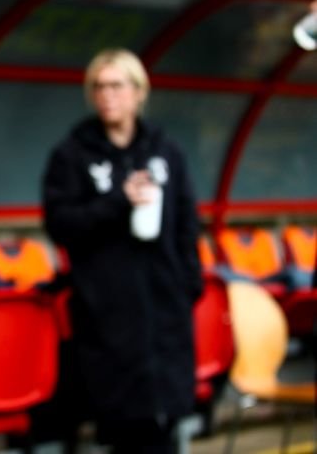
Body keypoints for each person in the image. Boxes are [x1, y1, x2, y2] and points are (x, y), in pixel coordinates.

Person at [41, 49, 202, 454]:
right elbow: (60, 224)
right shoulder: (73, 154)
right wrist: (118, 200)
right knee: (124, 428)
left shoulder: (165, 150)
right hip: (108, 315)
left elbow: (187, 223)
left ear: (139, 91)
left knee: (167, 421)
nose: (106, 95)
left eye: (116, 85)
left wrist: (188, 285)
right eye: (98, 87)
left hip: (165, 311)